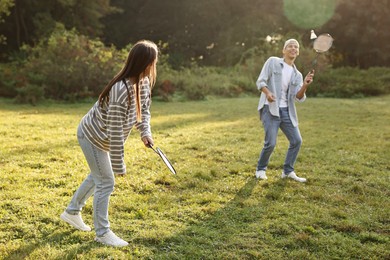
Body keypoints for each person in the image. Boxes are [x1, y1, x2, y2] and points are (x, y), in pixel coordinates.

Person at [60, 40, 158, 247]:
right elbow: (114, 131)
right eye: (153, 62)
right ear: (144, 63)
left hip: (103, 138)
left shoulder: (143, 82)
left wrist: (145, 133)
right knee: (106, 181)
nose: (154, 66)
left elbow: (143, 111)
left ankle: (72, 212)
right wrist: (118, 165)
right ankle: (102, 233)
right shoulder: (120, 90)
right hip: (91, 136)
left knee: (98, 177)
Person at [255, 39, 314, 182]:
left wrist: (305, 85)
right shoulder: (273, 62)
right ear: (284, 50)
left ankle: (288, 171)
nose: (293, 48)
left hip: (287, 111)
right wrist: (268, 93)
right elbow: (260, 81)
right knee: (271, 143)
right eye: (290, 46)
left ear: (298, 52)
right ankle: (260, 169)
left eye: (296, 47)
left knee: (296, 140)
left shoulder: (297, 75)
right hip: (270, 109)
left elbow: (298, 97)